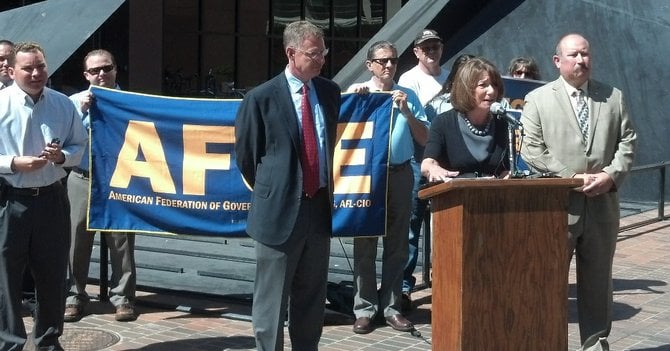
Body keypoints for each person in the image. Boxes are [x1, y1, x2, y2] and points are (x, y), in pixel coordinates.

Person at [520, 33, 636, 351]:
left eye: (585, 54)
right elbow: (531, 148)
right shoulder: (538, 99)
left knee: (598, 281)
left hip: (602, 205)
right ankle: (547, 340)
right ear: (557, 61)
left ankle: (595, 341)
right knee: (549, 280)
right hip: (558, 206)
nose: (581, 60)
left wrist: (610, 176)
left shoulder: (613, 97)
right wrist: (571, 178)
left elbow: (628, 142)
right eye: (574, 55)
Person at [234, 20, 341, 351]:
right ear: (291, 53)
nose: (321, 59)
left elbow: (326, 145)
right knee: (271, 304)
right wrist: (279, 189)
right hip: (278, 213)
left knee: (311, 299)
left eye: (323, 52)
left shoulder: (329, 92)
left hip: (318, 209)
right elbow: (248, 159)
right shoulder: (261, 98)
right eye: (313, 53)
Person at [0, 41, 87, 351]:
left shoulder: (63, 104)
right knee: (5, 277)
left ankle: (48, 341)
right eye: (28, 68)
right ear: (11, 71)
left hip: (51, 199)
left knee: (52, 276)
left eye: (41, 67)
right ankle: (9, 342)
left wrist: (62, 156)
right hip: (9, 200)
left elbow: (80, 145)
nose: (36, 73)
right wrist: (13, 163)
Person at [346, 40, 429, 334]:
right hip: (368, 176)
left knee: (398, 242)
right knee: (365, 243)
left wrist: (406, 111)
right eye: (382, 61)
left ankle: (392, 307)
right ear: (369, 65)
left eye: (393, 60)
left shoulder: (408, 95)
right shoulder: (359, 93)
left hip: (401, 172)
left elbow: (424, 137)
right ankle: (365, 309)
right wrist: (356, 101)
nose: (389, 66)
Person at [64, 49, 137, 323]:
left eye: (106, 68)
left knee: (122, 243)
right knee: (75, 242)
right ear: (86, 75)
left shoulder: (129, 103)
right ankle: (73, 297)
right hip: (82, 177)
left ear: (116, 69)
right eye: (94, 71)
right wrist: (80, 111)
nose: (101, 74)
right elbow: (60, 138)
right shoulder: (72, 103)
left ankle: (124, 298)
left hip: (119, 180)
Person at [397, 29, 450, 311]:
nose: (431, 51)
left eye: (435, 46)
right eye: (425, 47)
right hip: (419, 159)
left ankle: (445, 280)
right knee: (412, 225)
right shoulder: (408, 80)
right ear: (416, 52)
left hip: (448, 161)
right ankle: (405, 286)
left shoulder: (450, 75)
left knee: (445, 224)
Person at [421, 57, 510, 182]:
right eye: (483, 85)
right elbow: (427, 164)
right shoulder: (443, 123)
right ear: (467, 89)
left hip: (494, 196)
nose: (491, 91)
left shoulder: (503, 124)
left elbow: (506, 168)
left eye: (494, 85)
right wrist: (433, 169)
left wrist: (508, 175)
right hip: (454, 197)